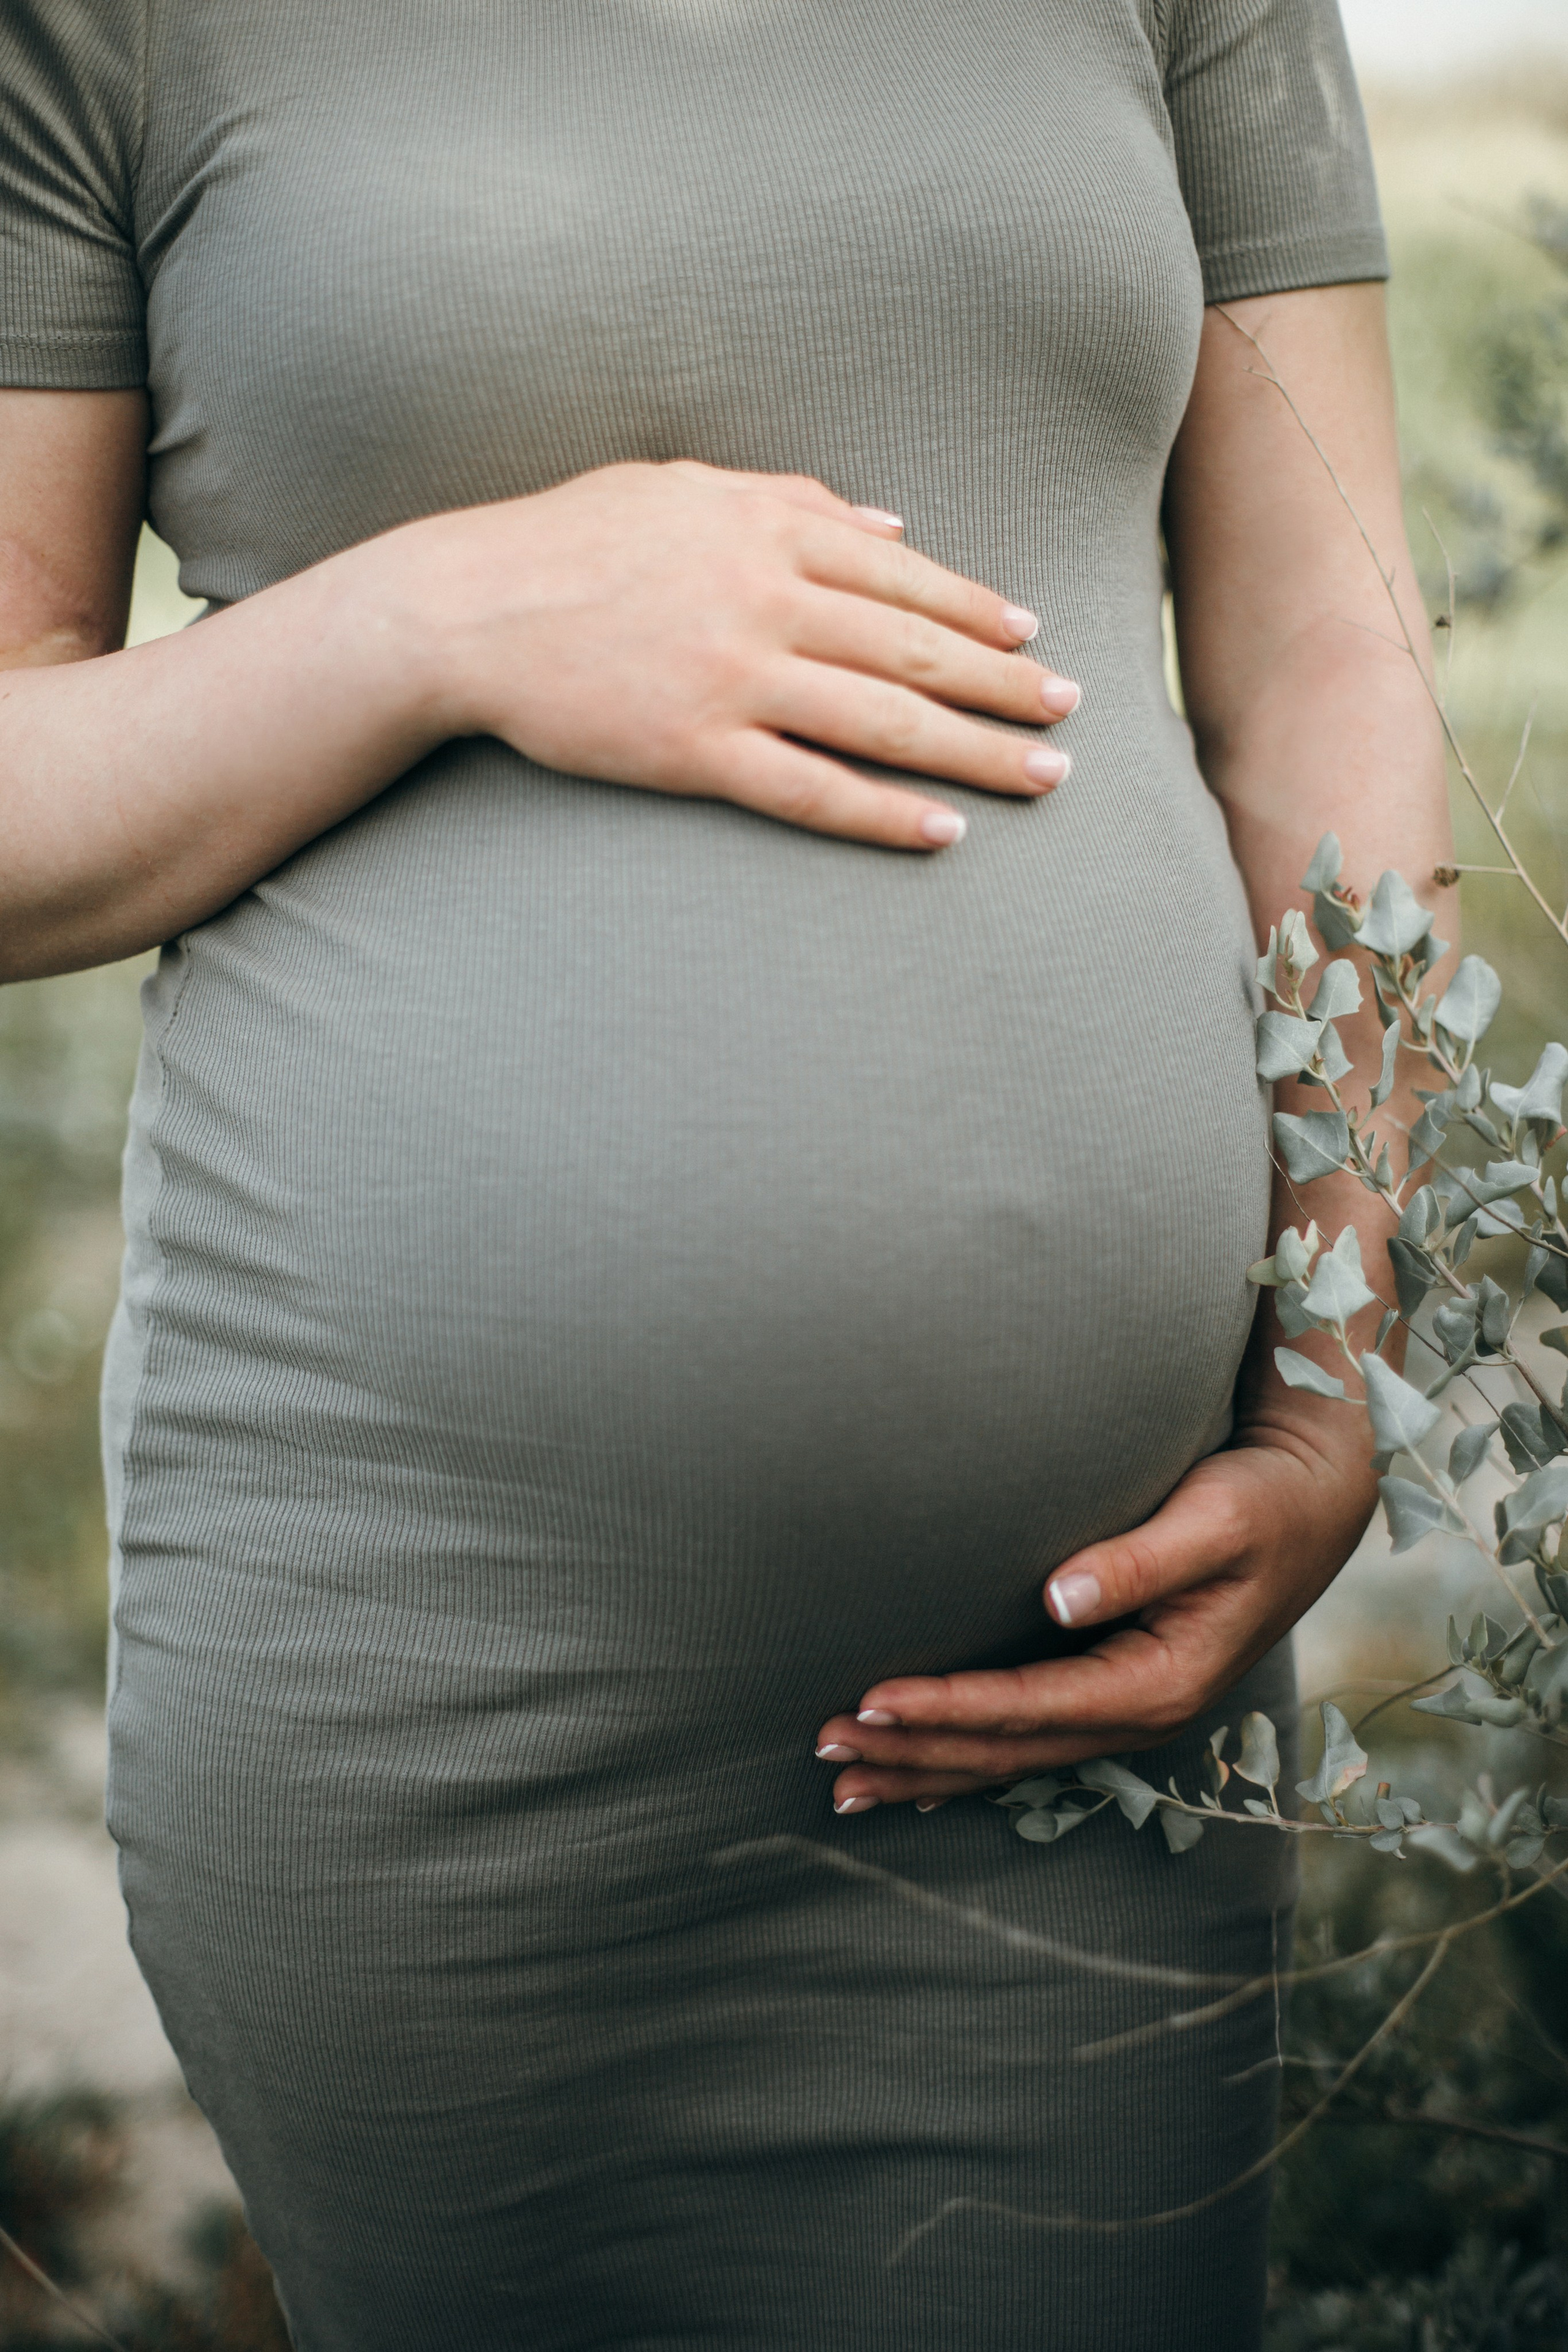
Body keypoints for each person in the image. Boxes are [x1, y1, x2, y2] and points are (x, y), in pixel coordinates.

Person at [0, 1, 1450, 2345]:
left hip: (1079, 1725)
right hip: (423, 1697)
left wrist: (1339, 1375)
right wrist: (439, 617)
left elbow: (1327, 658)